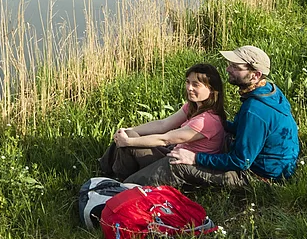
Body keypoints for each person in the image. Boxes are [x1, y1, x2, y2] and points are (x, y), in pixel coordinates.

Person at [129, 44, 299, 190]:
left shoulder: (255, 110)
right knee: (191, 143)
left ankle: (126, 189)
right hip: (264, 161)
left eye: (235, 67)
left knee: (176, 165)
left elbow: (241, 161)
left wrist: (195, 158)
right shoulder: (268, 90)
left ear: (255, 75)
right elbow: (244, 129)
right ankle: (133, 173)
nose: (228, 69)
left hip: (259, 175)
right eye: (230, 64)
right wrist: (215, 121)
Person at [97, 63, 227, 181]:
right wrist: (131, 129)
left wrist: (128, 141)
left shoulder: (206, 121)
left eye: (196, 84)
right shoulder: (192, 107)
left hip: (178, 163)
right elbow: (163, 124)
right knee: (127, 133)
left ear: (211, 89)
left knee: (128, 141)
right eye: (188, 82)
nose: (189, 88)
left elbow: (166, 139)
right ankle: (104, 169)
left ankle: (117, 178)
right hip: (174, 151)